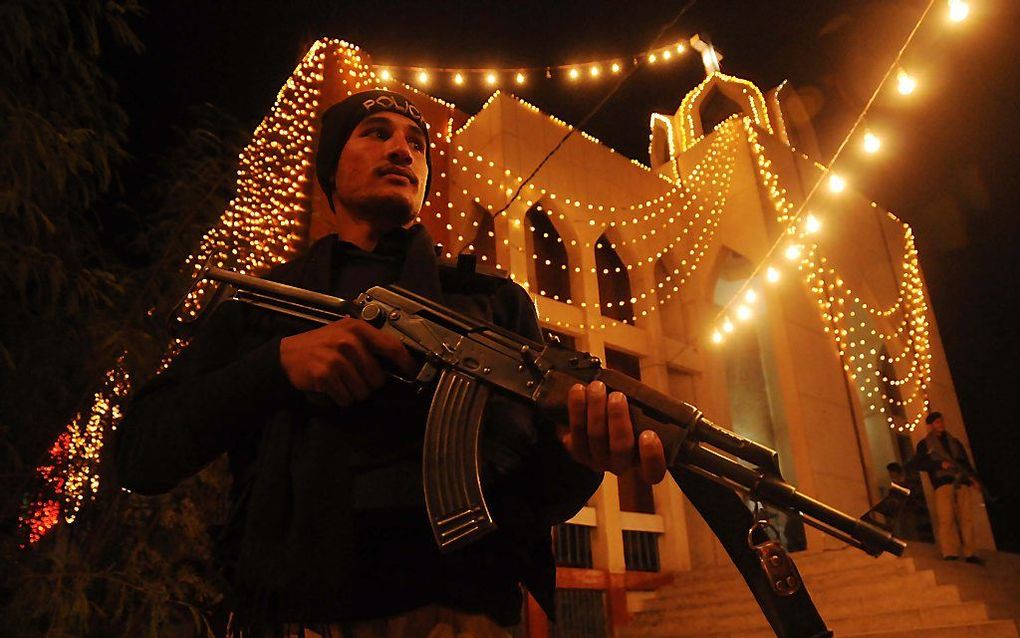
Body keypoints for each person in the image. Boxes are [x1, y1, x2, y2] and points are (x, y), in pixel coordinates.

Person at [113, 89, 666, 638]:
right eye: (376, 133)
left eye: (417, 144)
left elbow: (532, 501)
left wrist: (581, 458)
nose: (402, 149)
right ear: (330, 169)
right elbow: (141, 456)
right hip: (297, 613)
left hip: (468, 615)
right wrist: (276, 366)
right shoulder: (268, 302)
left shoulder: (493, 304)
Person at [908, 411, 982, 564]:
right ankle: (949, 551)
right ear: (930, 426)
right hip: (942, 484)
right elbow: (917, 463)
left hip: (961, 482)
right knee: (946, 518)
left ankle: (970, 552)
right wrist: (939, 464)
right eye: (937, 422)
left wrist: (973, 480)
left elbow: (965, 463)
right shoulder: (924, 444)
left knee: (966, 518)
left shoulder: (954, 442)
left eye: (941, 421)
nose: (940, 425)